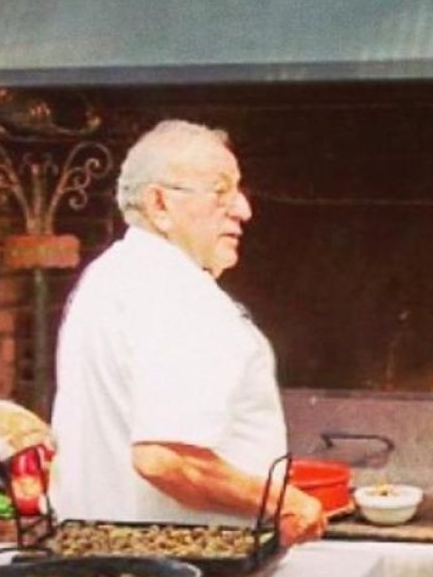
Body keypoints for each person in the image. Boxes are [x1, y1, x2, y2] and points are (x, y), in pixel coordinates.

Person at [49, 119, 326, 546]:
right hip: (177, 564)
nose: (243, 210)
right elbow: (165, 459)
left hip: (90, 552)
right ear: (159, 205)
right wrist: (285, 502)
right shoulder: (180, 293)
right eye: (221, 192)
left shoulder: (107, 276)